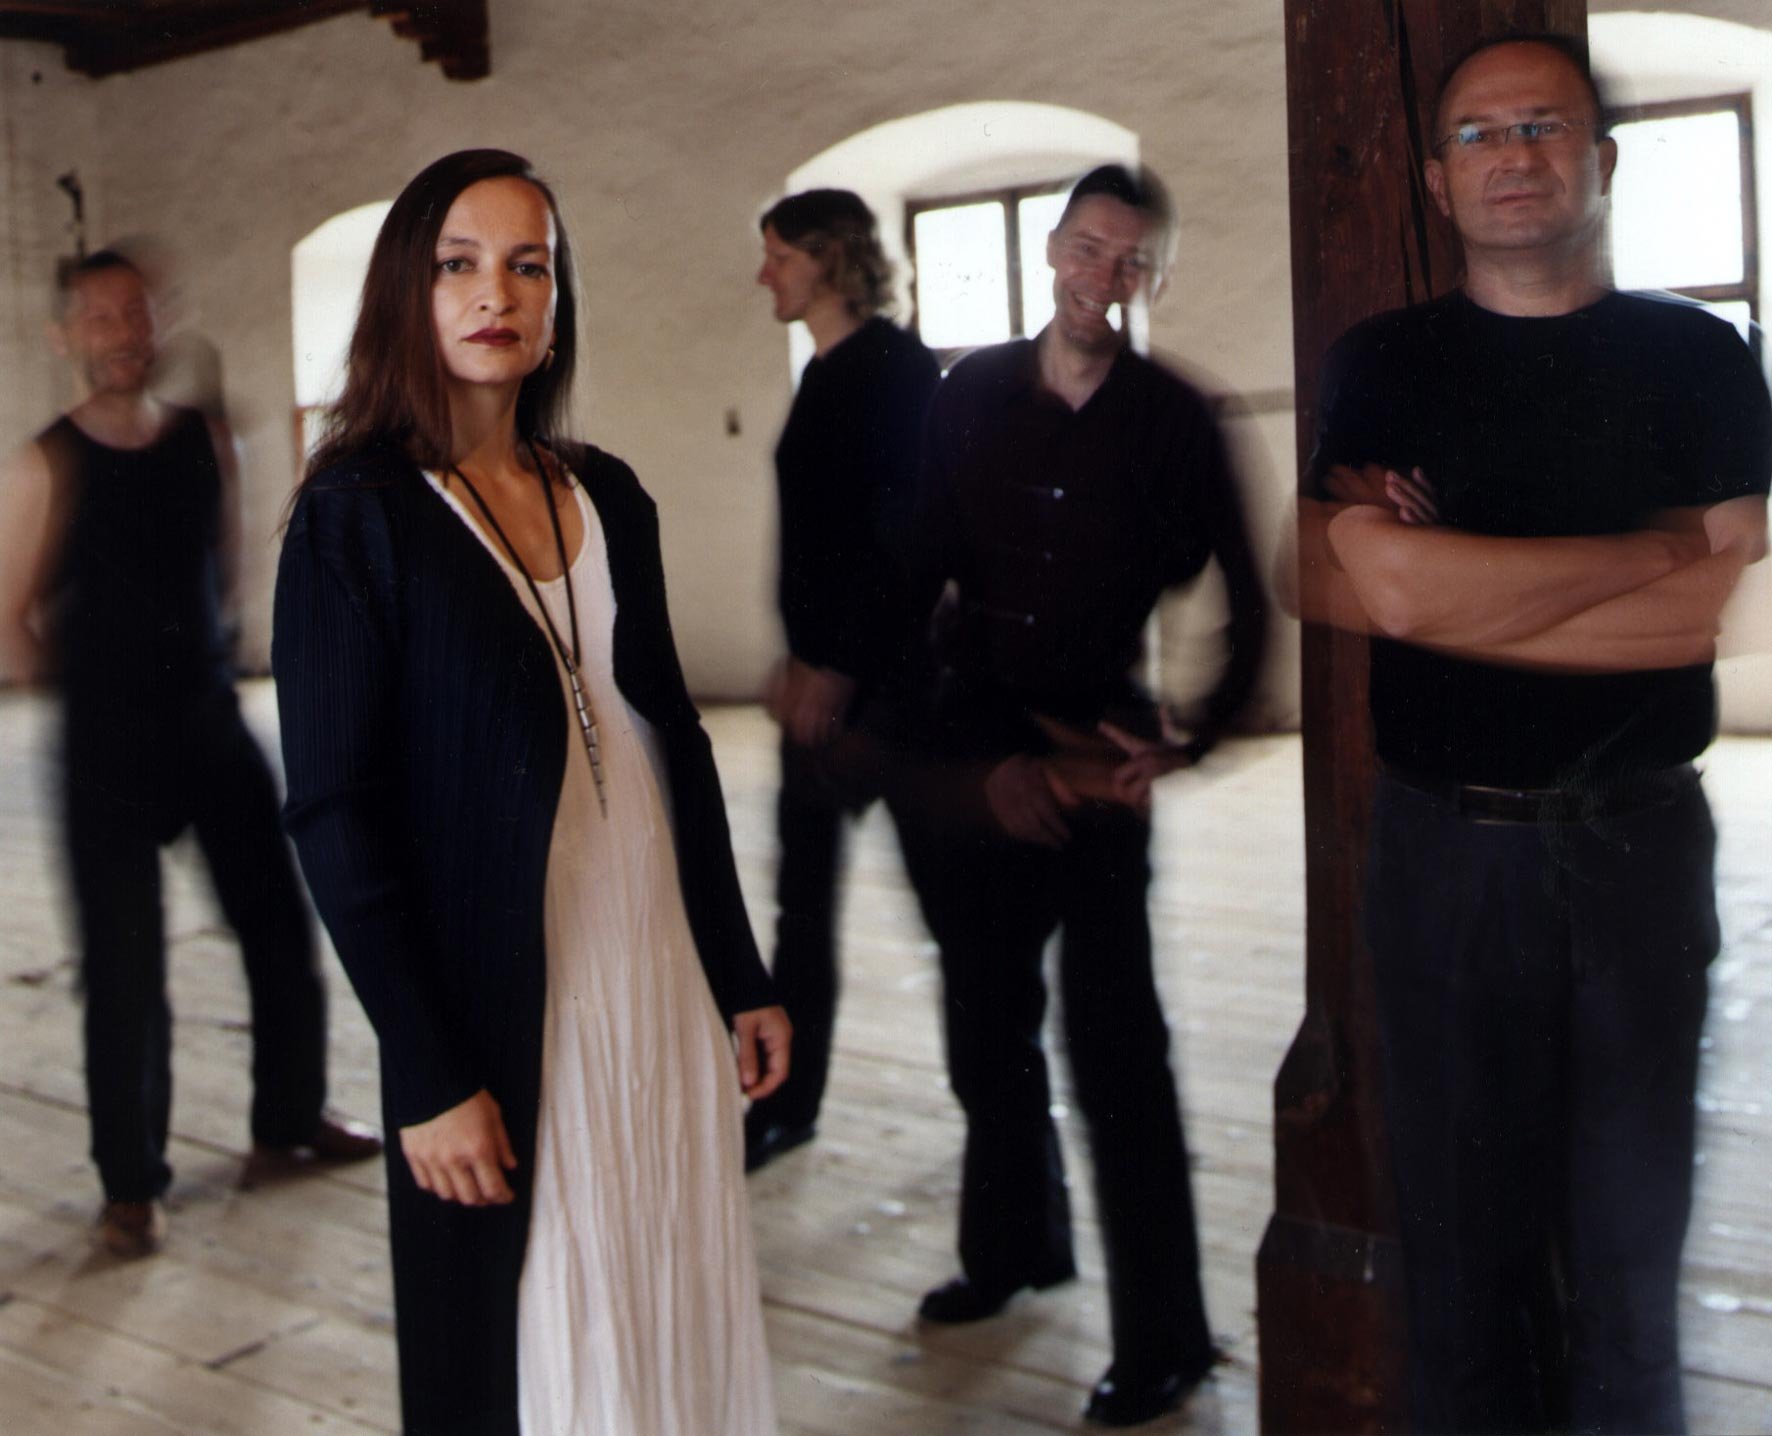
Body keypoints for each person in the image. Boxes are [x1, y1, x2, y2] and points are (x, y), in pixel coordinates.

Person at [1291, 35, 1771, 1432]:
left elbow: (1710, 616)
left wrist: (1466, 588)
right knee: (1456, 1269)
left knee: (1628, 1266)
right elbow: (1375, 588)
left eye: (1543, 126)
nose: (1513, 155)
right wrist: (1657, 549)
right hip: (1447, 853)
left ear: (1601, 160)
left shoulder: (1699, 356)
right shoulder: (1382, 365)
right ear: (1435, 180)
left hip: (1639, 847)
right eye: (1479, 134)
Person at [272, 149, 791, 1435]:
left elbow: (673, 741)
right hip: (504, 1000)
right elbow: (335, 813)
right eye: (457, 263)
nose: (494, 293)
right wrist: (424, 1069)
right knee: (537, 1331)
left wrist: (738, 969)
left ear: (557, 300)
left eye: (528, 266)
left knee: (662, 1288)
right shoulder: (355, 513)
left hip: (653, 970)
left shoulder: (604, 491)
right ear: (407, 289)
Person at [892, 164, 1267, 1428]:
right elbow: (919, 577)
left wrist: (1188, 739)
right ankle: (1012, 1249)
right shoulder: (968, 393)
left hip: (1100, 758)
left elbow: (1247, 599)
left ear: (1154, 276)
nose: (1101, 277)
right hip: (984, 747)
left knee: (1116, 1052)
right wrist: (971, 760)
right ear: (1052, 249)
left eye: (1129, 260)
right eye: (1086, 249)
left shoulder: (1176, 417)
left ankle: (1165, 1338)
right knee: (984, 1027)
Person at [0, 249, 379, 1261]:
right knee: (124, 971)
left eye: (136, 312)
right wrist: (93, 698)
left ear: (157, 320)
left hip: (208, 723)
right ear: (66, 337)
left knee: (278, 926)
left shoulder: (203, 440)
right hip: (107, 748)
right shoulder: (47, 462)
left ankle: (288, 1116)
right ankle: (131, 1185)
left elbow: (226, 569)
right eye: (100, 317)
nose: (124, 332)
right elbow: (10, 615)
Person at [745, 189, 939, 1171]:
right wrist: (801, 659)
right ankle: (786, 1103)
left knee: (956, 916)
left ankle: (1005, 1139)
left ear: (826, 259)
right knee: (801, 910)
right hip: (823, 690)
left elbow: (905, 544)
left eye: (778, 255)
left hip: (894, 698)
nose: (764, 275)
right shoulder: (824, 373)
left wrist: (839, 667)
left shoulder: (894, 369)